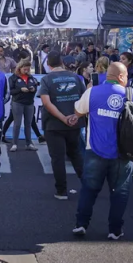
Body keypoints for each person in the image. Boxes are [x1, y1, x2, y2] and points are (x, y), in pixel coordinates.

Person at [71, 62, 133, 239]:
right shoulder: (131, 94)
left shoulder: (93, 91)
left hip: (95, 150)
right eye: (126, 75)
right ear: (120, 76)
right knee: (120, 193)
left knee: (89, 189)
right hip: (123, 153)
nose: (127, 79)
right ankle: (115, 229)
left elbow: (78, 111)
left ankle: (81, 224)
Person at [39, 51, 85, 199]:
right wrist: (75, 116)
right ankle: (88, 186)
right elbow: (84, 99)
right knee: (76, 154)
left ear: (48, 64)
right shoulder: (75, 77)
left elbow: (46, 103)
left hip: (54, 125)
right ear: (62, 62)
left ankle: (61, 191)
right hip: (74, 123)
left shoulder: (46, 79)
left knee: (57, 158)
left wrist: (63, 118)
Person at [7, 59, 40, 152]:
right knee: (17, 124)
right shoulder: (13, 78)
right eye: (24, 69)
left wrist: (33, 89)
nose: (26, 71)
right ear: (19, 68)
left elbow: (35, 86)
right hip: (18, 102)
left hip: (29, 103)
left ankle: (29, 143)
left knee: (28, 124)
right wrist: (20, 90)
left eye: (28, 69)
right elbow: (11, 91)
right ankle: (14, 143)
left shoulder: (31, 77)